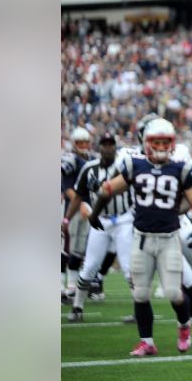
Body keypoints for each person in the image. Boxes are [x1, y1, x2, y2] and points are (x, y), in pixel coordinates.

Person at [94, 118, 192, 357]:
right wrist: (96, 209)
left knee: (174, 293)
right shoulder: (136, 165)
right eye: (157, 141)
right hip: (142, 238)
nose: (161, 146)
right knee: (140, 293)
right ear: (146, 143)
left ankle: (184, 325)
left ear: (173, 143)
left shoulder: (181, 168)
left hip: (169, 239)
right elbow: (109, 189)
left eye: (166, 142)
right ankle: (147, 342)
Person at [64, 133, 133, 322]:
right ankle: (77, 307)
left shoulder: (125, 165)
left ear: (115, 147)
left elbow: (125, 188)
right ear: (99, 147)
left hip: (123, 219)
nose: (108, 148)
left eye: (111, 144)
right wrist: (66, 220)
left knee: (129, 267)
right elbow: (79, 195)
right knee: (89, 267)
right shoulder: (89, 168)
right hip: (100, 220)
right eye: (105, 144)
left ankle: (139, 309)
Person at [61, 127, 94, 302]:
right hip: (72, 209)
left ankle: (72, 287)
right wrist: (80, 203)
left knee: (79, 249)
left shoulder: (91, 160)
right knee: (67, 247)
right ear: (74, 144)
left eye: (86, 142)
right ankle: (61, 287)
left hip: (87, 210)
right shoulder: (70, 159)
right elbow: (66, 187)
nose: (83, 145)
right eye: (80, 142)